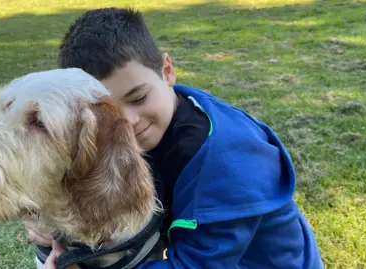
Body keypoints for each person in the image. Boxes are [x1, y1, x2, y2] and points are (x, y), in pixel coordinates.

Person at [25, 7, 324, 269]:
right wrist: (48, 221)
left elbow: (195, 264)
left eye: (138, 97)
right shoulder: (157, 113)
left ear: (167, 70)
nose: (127, 122)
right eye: (109, 114)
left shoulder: (230, 167)